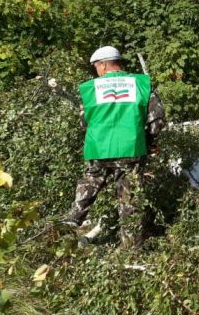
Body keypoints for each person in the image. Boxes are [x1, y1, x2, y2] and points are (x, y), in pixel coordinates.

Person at [66, 46, 165, 247]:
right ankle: (130, 248)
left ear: (103, 64)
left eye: (96, 67)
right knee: (129, 199)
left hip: (98, 149)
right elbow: (157, 120)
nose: (96, 71)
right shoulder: (141, 84)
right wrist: (151, 142)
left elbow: (84, 123)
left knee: (88, 188)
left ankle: (63, 231)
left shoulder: (89, 88)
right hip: (131, 149)